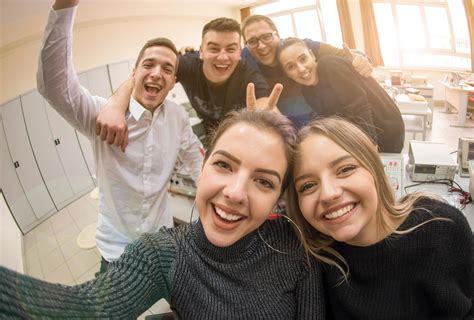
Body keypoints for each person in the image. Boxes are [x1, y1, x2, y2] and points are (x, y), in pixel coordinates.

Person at [0, 109, 326, 319]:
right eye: (224, 165)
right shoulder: (162, 255)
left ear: (278, 199)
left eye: (263, 181)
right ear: (204, 165)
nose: (236, 193)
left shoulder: (295, 244)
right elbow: (84, 310)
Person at [37, 0, 204, 272]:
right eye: (148, 64)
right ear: (134, 73)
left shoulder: (178, 118)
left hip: (162, 242)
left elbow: (197, 164)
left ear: (174, 82)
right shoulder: (102, 115)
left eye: (167, 69)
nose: (156, 73)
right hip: (116, 250)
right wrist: (65, 7)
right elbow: (53, 85)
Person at [287, 116, 473, 319]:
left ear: (374, 166)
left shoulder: (442, 228)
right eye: (308, 185)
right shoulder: (311, 258)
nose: (328, 193)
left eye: (345, 169)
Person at [97, 16, 277, 145]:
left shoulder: (250, 77)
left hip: (241, 132)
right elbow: (142, 77)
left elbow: (267, 108)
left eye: (231, 49)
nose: (222, 57)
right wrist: (115, 105)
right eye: (214, 48)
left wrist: (267, 120)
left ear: (240, 53)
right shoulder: (187, 64)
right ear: (201, 51)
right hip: (210, 133)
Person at [241, 14, 373, 127]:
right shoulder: (246, 58)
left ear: (278, 35)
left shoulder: (300, 47)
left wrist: (361, 59)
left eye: (266, 36)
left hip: (322, 119)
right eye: (252, 41)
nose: (261, 45)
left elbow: (346, 55)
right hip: (282, 123)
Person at [278, 37, 405, 153]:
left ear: (312, 55)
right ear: (287, 73)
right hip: (360, 134)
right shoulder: (307, 91)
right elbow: (333, 120)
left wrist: (370, 146)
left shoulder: (330, 65)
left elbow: (359, 106)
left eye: (303, 59)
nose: (301, 68)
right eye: (291, 66)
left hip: (386, 129)